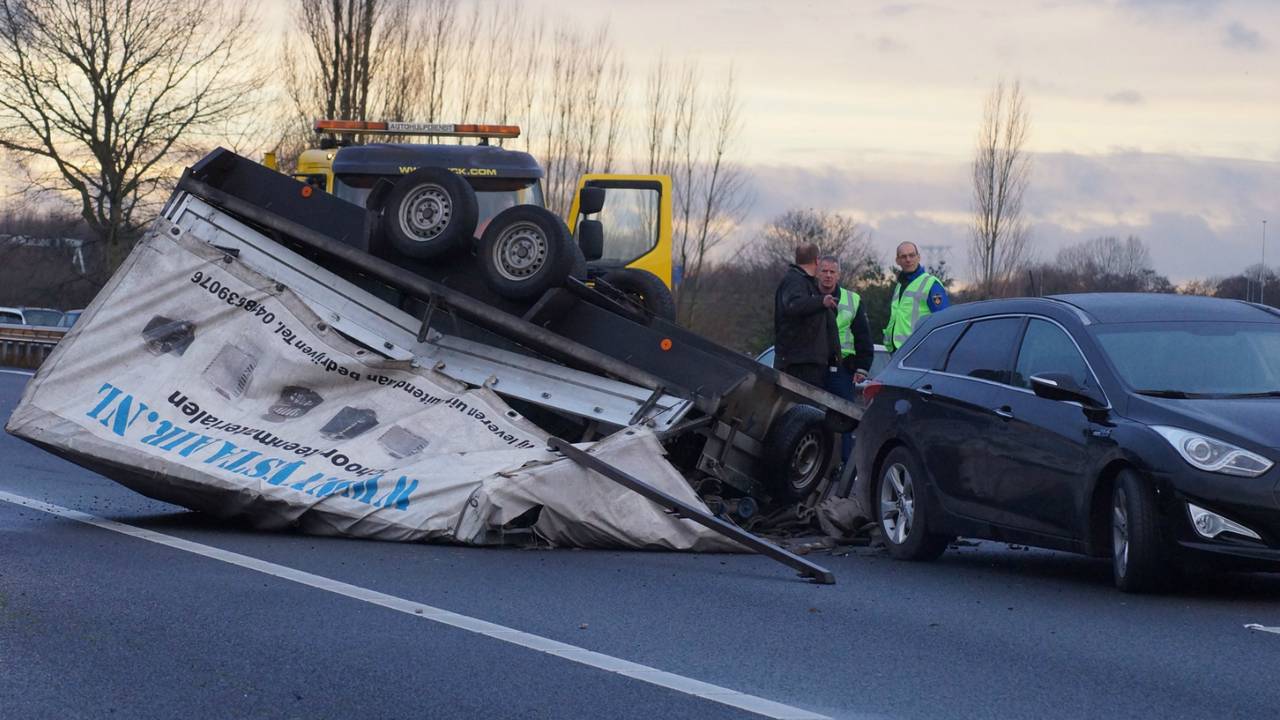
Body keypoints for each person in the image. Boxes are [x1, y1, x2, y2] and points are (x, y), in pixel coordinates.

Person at [816, 255, 873, 463]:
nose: (828, 275)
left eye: (832, 272)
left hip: (840, 368)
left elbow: (863, 337)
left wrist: (862, 368)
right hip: (812, 366)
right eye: (824, 271)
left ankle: (845, 466)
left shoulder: (853, 300)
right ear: (817, 272)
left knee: (845, 418)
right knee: (808, 414)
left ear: (839, 275)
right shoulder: (808, 295)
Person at [773, 242, 839, 387]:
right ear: (817, 260)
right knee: (803, 408)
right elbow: (794, 305)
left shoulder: (806, 283)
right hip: (799, 364)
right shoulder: (795, 281)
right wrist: (821, 302)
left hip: (808, 363)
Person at [883, 241, 949, 354]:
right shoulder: (900, 286)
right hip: (897, 351)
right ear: (897, 261)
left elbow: (943, 321)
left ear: (919, 257)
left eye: (912, 255)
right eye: (903, 256)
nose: (908, 259)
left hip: (920, 351)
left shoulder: (931, 284)